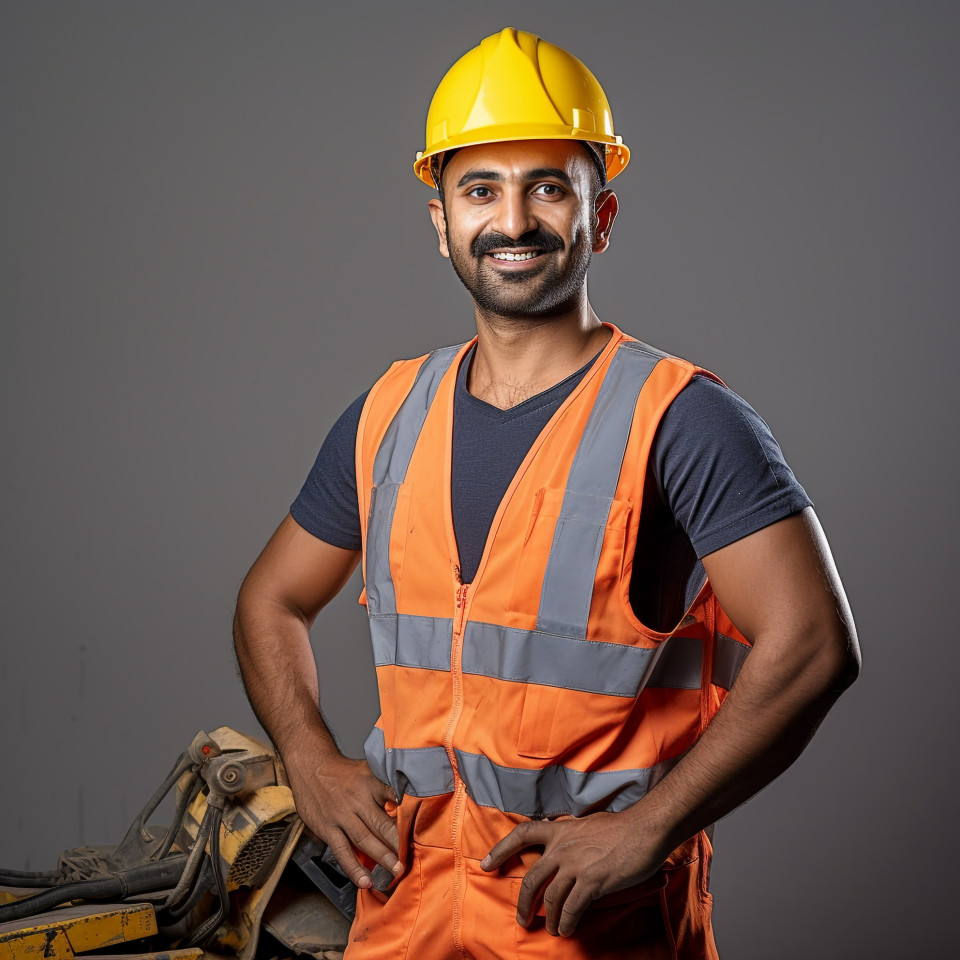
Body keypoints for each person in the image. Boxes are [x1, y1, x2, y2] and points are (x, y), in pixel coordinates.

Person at [233, 27, 860, 959]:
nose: (513, 220)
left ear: (599, 216)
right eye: (481, 189)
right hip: (399, 921)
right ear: (441, 219)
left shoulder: (679, 419)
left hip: (580, 929)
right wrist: (310, 760)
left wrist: (651, 829)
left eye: (548, 186)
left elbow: (814, 646)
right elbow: (268, 601)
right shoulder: (388, 413)